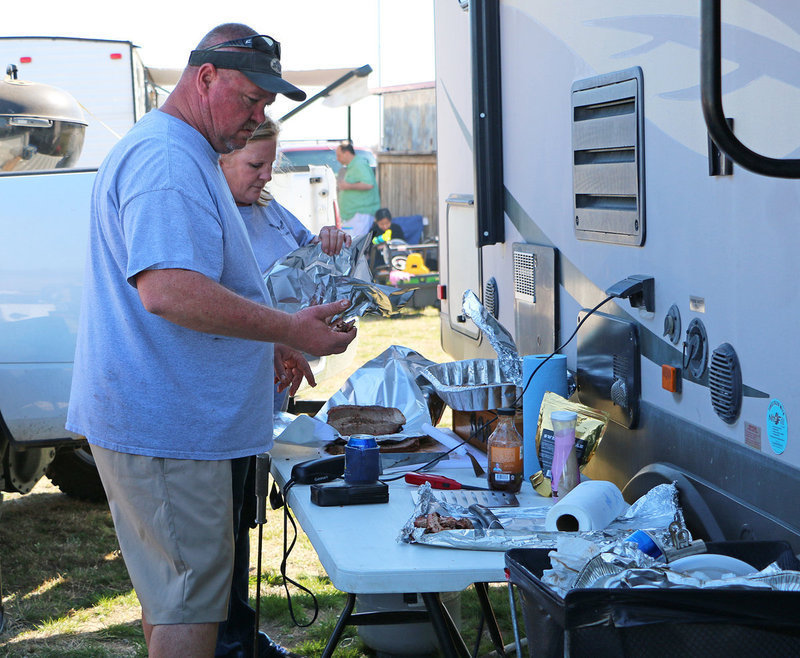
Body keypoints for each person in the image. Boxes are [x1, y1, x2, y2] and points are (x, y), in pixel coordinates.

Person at [66, 23, 356, 658]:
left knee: (175, 598)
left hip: (161, 421)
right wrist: (287, 328)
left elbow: (193, 285)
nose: (258, 118)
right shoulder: (168, 159)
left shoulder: (177, 150)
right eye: (250, 99)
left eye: (266, 106)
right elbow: (168, 289)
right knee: (190, 606)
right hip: (167, 427)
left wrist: (264, 345)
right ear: (204, 78)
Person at [217, 115, 351, 657]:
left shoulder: (267, 209)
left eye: (274, 164)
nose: (268, 176)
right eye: (256, 164)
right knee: (219, 532)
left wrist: (328, 244)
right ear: (222, 156)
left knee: (243, 521)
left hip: (265, 398)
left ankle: (241, 633)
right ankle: (225, 640)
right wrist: (277, 341)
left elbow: (305, 262)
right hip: (223, 403)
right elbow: (216, 308)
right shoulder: (212, 212)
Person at [335, 141, 380, 237]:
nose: (337, 159)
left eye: (339, 155)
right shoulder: (352, 166)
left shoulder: (359, 164)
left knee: (355, 245)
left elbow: (368, 184)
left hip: (359, 214)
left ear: (346, 153)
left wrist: (348, 186)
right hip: (352, 215)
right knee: (350, 245)